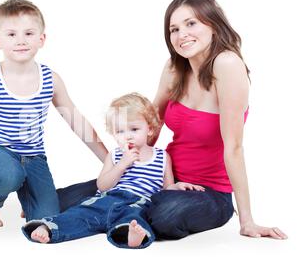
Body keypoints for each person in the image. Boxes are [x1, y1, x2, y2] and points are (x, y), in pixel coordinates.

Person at [58, 0, 287, 241]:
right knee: (62, 199)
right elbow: (150, 126)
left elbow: (234, 147)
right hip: (162, 177)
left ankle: (123, 215)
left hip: (208, 192)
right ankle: (124, 211)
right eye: (174, 29)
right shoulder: (174, 67)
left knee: (165, 215)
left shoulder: (227, 64)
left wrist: (247, 221)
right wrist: (126, 168)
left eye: (191, 23)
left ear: (212, 23)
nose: (181, 35)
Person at [0, 0, 107, 233]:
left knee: (47, 219)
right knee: (9, 174)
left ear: (41, 39)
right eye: (11, 34)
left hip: (33, 157)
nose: (20, 40)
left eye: (28, 33)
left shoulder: (51, 79)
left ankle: (37, 198)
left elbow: (77, 122)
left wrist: (109, 161)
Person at [22, 93, 204, 248]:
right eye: (120, 131)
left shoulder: (162, 157)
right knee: (79, 213)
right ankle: (48, 228)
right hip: (108, 199)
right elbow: (102, 185)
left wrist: (178, 187)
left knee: (136, 218)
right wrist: (122, 165)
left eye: (134, 129)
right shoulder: (116, 155)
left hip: (139, 203)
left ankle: (131, 235)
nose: (128, 135)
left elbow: (165, 189)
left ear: (150, 129)